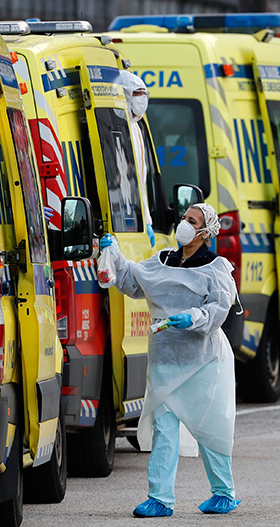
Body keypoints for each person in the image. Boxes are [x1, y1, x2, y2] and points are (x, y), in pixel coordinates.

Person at [99, 202, 240, 517]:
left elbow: (220, 308)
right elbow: (132, 280)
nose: (184, 223)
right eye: (184, 218)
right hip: (165, 361)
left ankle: (224, 492)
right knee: (164, 426)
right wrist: (113, 253)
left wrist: (192, 318)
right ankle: (160, 498)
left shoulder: (214, 267)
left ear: (205, 231)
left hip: (203, 361)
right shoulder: (163, 261)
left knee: (209, 427)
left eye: (192, 220)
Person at [119, 70, 155, 247]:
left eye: (144, 93)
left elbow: (141, 181)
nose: (142, 98)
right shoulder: (119, 126)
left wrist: (146, 219)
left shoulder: (136, 127)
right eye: (136, 93)